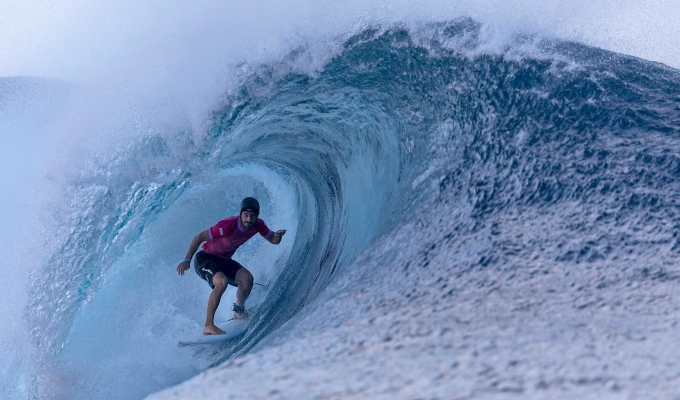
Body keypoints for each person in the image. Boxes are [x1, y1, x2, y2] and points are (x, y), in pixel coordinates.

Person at [177, 197, 286, 335]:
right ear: (240, 214)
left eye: (252, 216)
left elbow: (273, 240)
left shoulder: (258, 225)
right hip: (205, 259)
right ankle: (208, 325)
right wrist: (187, 260)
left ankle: (238, 312)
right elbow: (199, 238)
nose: (248, 219)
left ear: (257, 216)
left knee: (247, 280)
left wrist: (278, 235)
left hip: (224, 260)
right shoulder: (226, 226)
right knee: (221, 282)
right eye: (246, 215)